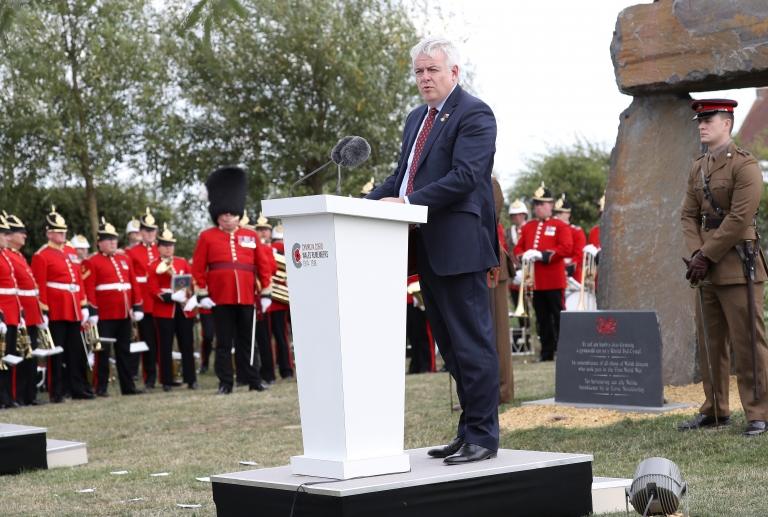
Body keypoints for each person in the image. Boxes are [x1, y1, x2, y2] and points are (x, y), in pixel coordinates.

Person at [366, 37, 499, 464]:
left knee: (471, 343)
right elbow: (401, 178)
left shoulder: (474, 113)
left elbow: (465, 176)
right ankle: (468, 431)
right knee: (451, 346)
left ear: (454, 73)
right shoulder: (415, 119)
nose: (424, 78)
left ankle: (484, 435)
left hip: (459, 247)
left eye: (432, 71)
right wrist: (361, 204)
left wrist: (405, 203)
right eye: (419, 72)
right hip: (426, 248)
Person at [679, 98, 768, 437]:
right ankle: (715, 409)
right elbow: (688, 214)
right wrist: (696, 254)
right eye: (700, 120)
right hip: (706, 269)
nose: (702, 125)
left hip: (737, 264)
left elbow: (739, 218)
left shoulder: (744, 165)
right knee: (710, 343)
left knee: (747, 342)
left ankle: (759, 412)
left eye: (709, 119)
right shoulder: (697, 166)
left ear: (727, 123)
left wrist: (706, 254)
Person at [191, 167, 273, 394]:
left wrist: (266, 292)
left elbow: (262, 266)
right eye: (224, 214)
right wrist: (202, 294)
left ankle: (252, 379)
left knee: (248, 341)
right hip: (220, 297)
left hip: (247, 296)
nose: (228, 217)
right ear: (218, 214)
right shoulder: (207, 237)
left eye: (232, 213)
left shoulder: (251, 235)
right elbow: (198, 268)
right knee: (224, 344)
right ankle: (225, 382)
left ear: (238, 214)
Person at [31, 206, 91, 403]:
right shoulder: (42, 254)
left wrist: (83, 306)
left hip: (73, 307)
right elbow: (40, 285)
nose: (62, 233)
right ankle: (56, 391)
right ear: (49, 232)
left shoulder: (71, 251)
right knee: (56, 353)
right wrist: (44, 311)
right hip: (56, 309)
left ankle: (78, 388)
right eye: (58, 231)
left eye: (64, 230)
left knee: (77, 352)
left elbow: (79, 281)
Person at [82, 218, 144, 396]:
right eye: (108, 239)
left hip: (124, 313)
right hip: (105, 315)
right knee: (102, 352)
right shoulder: (92, 261)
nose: (112, 242)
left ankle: (128, 387)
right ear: (99, 242)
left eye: (114, 239)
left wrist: (137, 305)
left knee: (125, 351)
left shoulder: (124, 258)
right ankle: (100, 387)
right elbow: (89, 288)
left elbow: (133, 284)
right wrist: (93, 310)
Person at [513, 183, 573, 362]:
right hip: (536, 281)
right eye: (536, 204)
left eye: (542, 204)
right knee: (542, 318)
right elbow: (518, 248)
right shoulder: (528, 227)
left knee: (558, 316)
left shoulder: (559, 225)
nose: (539, 207)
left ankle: (565, 350)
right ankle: (546, 352)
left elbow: (566, 248)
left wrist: (542, 255)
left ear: (551, 205)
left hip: (553, 280)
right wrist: (524, 256)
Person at [4, 212, 47, 405]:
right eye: (19, 232)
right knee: (13, 356)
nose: (24, 235)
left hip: (23, 311)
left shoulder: (16, 256)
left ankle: (28, 394)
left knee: (28, 354)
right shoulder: (7, 256)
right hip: (10, 311)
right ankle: (15, 395)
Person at [148, 224, 197, 391]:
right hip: (164, 309)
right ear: (158, 247)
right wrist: (170, 297)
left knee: (187, 344)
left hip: (183, 308)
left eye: (170, 245)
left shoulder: (182, 262)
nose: (168, 249)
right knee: (165, 346)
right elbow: (153, 289)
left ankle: (191, 379)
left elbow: (191, 281)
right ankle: (166, 380)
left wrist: (190, 295)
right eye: (165, 246)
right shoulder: (153, 265)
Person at [126, 208, 159, 389]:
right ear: (141, 232)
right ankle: (149, 376)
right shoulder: (131, 252)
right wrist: (134, 303)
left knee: (161, 340)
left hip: (161, 301)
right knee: (147, 341)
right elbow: (130, 279)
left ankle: (164, 374)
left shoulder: (161, 248)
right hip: (144, 302)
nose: (149, 234)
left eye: (152, 230)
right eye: (146, 231)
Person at [553, 194, 586, 282]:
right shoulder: (551, 230)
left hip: (572, 274)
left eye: (560, 213)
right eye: (556, 213)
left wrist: (571, 266)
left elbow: (579, 254)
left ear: (568, 214)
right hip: (553, 270)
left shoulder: (576, 231)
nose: (557, 216)